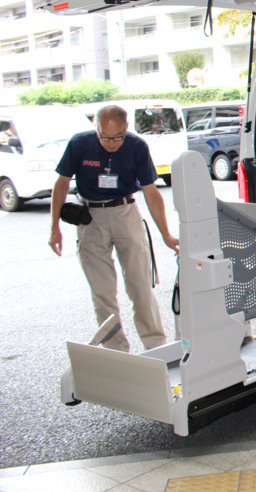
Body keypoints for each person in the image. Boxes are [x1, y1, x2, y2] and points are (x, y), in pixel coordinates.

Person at [48, 104, 179, 352]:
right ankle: (116, 351)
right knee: (102, 293)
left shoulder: (137, 146)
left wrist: (166, 234)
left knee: (140, 285)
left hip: (125, 213)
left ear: (126, 128)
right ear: (95, 128)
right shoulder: (79, 144)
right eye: (104, 137)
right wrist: (54, 227)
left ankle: (156, 346)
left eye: (117, 136)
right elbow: (61, 183)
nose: (111, 143)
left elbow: (151, 193)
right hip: (91, 218)